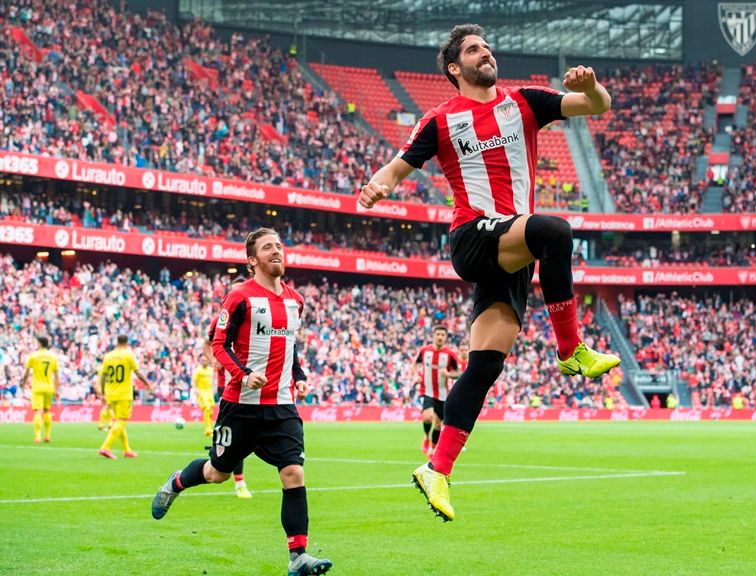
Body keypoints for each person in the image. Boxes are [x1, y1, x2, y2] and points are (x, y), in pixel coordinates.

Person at [359, 23, 620, 522]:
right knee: (557, 232)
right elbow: (398, 166)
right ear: (455, 67)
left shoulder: (526, 101)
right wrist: (377, 187)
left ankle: (436, 470)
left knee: (483, 367)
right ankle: (571, 351)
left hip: (511, 250)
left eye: (487, 46)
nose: (487, 53)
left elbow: (596, 107)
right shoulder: (440, 120)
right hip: (475, 236)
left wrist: (589, 88)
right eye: (474, 50)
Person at [151, 228, 332, 576]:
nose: (276, 251)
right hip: (241, 406)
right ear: (253, 260)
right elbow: (219, 345)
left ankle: (298, 557)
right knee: (216, 473)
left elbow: (290, 348)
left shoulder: (296, 300)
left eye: (279, 246)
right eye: (268, 248)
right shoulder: (240, 298)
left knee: (294, 473)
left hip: (282, 406)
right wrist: (245, 373)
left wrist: (300, 375)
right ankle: (176, 483)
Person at [203, 274, 252, 499]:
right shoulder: (220, 319)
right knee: (236, 435)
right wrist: (212, 358)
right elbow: (208, 341)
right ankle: (239, 482)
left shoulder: (256, 318)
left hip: (253, 384)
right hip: (229, 385)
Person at [98, 334, 152, 459]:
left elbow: (104, 376)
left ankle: (127, 450)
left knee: (118, 421)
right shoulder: (128, 355)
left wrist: (102, 392)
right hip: (124, 394)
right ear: (127, 343)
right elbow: (137, 372)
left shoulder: (109, 356)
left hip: (111, 393)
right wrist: (147, 383)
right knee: (121, 421)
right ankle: (105, 447)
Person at [413, 325, 462, 456]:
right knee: (428, 417)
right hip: (427, 390)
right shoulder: (424, 351)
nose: (440, 337)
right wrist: (415, 376)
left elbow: (458, 372)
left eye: (443, 335)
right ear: (433, 336)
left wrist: (448, 374)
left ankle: (432, 447)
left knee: (439, 425)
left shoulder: (450, 354)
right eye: (438, 334)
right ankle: (427, 438)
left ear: (446, 337)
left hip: (442, 394)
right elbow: (414, 363)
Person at [22, 335, 60, 443]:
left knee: (38, 411)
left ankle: (38, 436)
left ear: (39, 343)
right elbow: (56, 376)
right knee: (47, 411)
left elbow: (27, 372)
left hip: (37, 387)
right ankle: (47, 435)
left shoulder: (33, 356)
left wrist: (23, 384)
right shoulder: (53, 356)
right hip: (49, 387)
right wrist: (56, 389)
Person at [192, 355, 216, 437]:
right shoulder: (198, 370)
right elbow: (193, 380)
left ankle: (210, 428)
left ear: (208, 361)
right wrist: (195, 389)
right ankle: (208, 430)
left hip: (209, 391)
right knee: (207, 408)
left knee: (211, 410)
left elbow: (213, 381)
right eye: (202, 360)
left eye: (205, 360)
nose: (203, 362)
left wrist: (214, 388)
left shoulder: (210, 370)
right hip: (201, 391)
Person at [96, 356, 112, 431]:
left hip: (103, 389)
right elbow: (102, 380)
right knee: (107, 407)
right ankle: (102, 424)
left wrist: (98, 389)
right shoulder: (106, 368)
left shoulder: (101, 368)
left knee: (108, 407)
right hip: (107, 390)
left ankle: (109, 424)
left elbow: (98, 380)